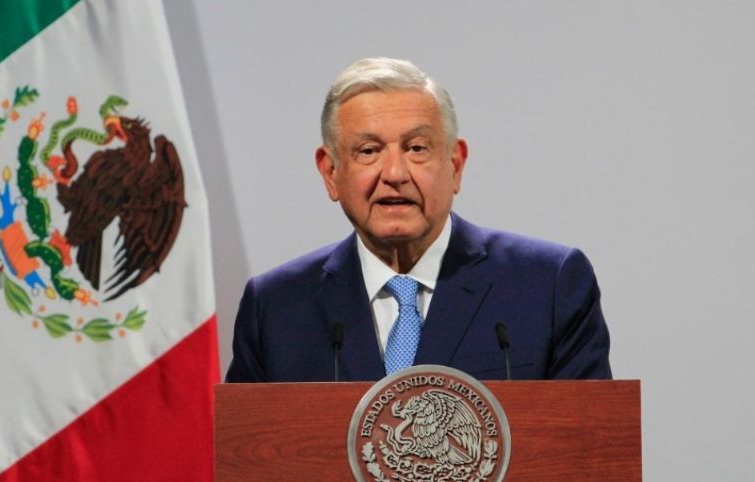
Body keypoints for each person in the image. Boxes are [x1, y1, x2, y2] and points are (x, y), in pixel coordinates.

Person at [225, 57, 611, 383]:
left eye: (416, 148)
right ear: (330, 173)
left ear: (455, 165)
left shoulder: (547, 286)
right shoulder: (276, 309)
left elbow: (592, 456)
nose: (394, 172)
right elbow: (241, 467)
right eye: (368, 150)